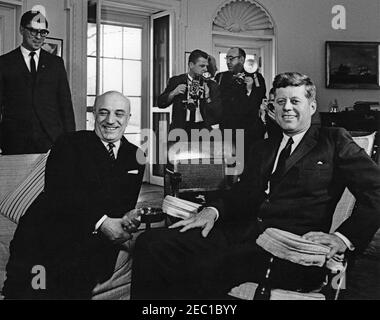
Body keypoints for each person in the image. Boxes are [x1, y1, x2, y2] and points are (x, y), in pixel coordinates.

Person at [131, 72, 380, 299]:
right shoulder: (264, 146)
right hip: (239, 233)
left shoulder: (333, 141)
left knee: (201, 266)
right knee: (151, 244)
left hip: (287, 247)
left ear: (312, 106)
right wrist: (212, 210)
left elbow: (376, 191)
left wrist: (342, 238)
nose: (287, 108)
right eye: (280, 102)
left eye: (295, 101)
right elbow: (243, 193)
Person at [3, 91, 145, 299]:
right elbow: (59, 194)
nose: (110, 120)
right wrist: (103, 222)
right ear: (94, 114)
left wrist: (127, 219)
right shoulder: (69, 143)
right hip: (47, 235)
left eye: (119, 114)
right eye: (103, 112)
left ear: (128, 118)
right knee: (31, 290)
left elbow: (122, 205)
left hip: (93, 245)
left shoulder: (137, 156)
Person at [0, 10, 75, 155]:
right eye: (33, 31)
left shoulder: (56, 63)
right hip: (14, 141)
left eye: (43, 32)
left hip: (52, 139)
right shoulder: (4, 63)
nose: (39, 37)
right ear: (21, 29)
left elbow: (65, 105)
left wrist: (70, 140)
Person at [157, 49, 221, 133]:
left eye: (206, 66)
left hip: (203, 130)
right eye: (202, 66)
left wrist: (208, 96)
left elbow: (217, 114)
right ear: (191, 65)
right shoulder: (177, 81)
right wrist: (173, 93)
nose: (205, 69)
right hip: (180, 130)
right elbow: (161, 103)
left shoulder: (211, 85)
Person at [215, 47, 266, 151]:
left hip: (249, 132)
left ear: (242, 60)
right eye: (227, 58)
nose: (228, 62)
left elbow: (258, 101)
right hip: (227, 131)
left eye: (231, 58)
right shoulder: (221, 77)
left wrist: (249, 89)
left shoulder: (256, 77)